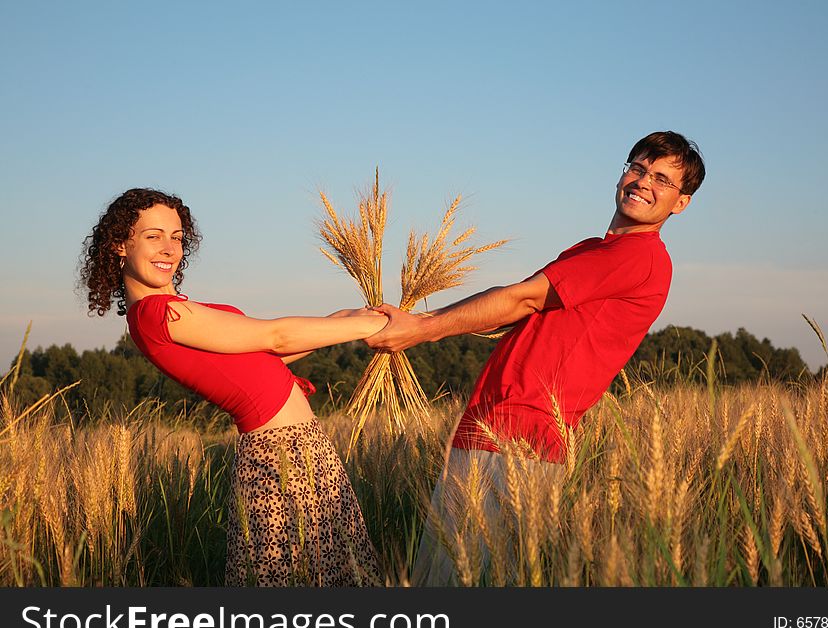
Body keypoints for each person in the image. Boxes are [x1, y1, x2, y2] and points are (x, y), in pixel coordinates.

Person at [365, 131, 706, 584]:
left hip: (521, 436)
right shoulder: (592, 250)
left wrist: (423, 330)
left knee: (455, 583)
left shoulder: (638, 256)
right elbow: (510, 309)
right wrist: (417, 318)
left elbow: (522, 299)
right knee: (438, 576)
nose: (643, 182)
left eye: (662, 179)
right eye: (639, 168)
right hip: (491, 422)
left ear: (680, 203)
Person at [79, 188, 388, 587]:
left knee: (330, 574)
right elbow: (275, 337)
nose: (169, 248)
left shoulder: (172, 310)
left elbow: (264, 358)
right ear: (121, 244)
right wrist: (368, 326)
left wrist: (344, 319)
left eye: (176, 237)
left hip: (302, 447)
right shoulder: (159, 314)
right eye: (153, 236)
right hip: (280, 457)